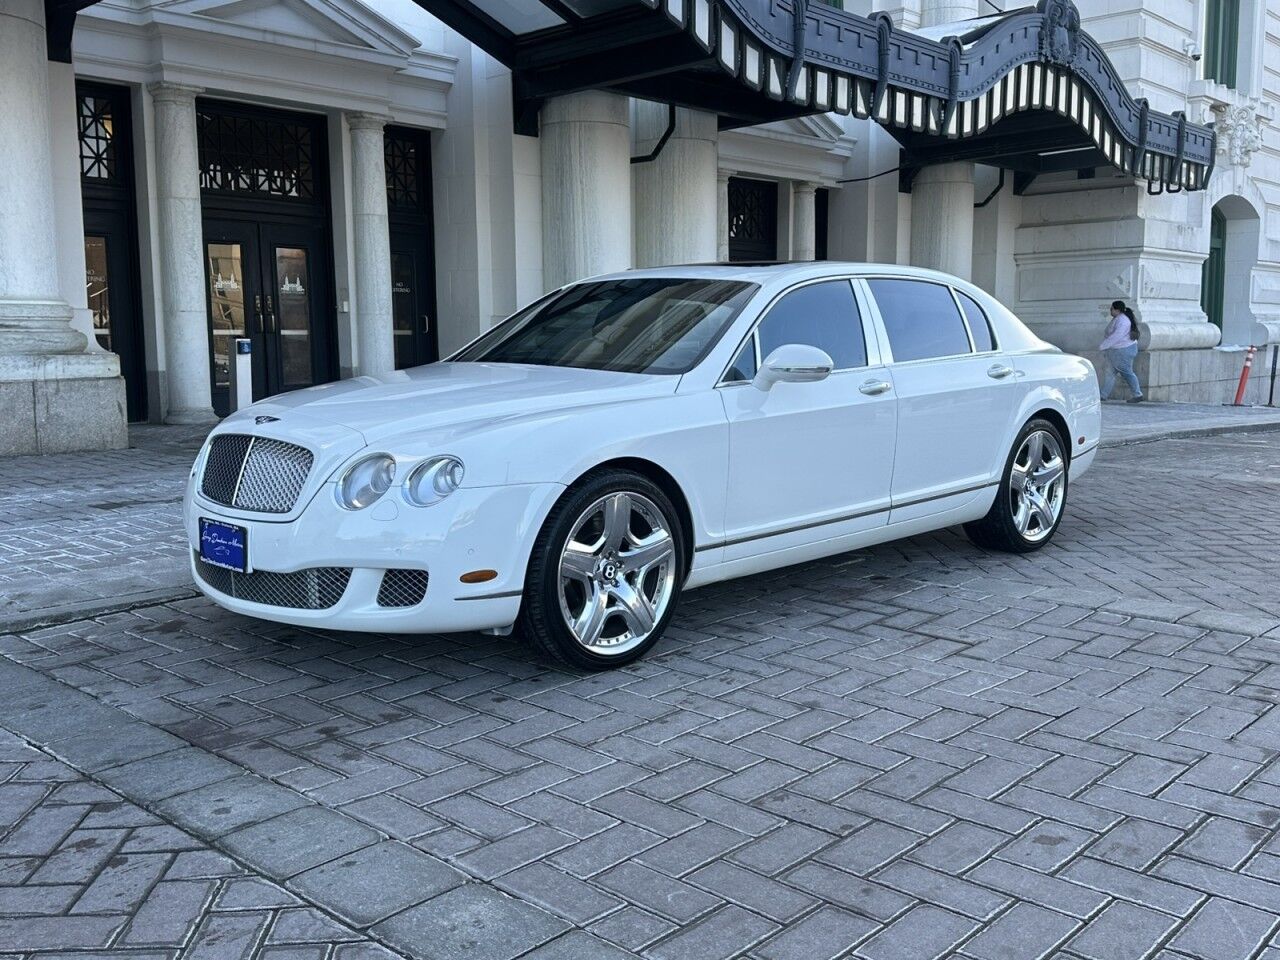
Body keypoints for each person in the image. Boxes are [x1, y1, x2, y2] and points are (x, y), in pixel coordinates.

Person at [1100, 300, 1143, 402]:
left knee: (1127, 372)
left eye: (1111, 309)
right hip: (1119, 351)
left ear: (1117, 310)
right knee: (1110, 373)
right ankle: (1102, 395)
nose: (1110, 311)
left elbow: (1116, 336)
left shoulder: (1123, 321)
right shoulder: (1119, 319)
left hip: (1123, 351)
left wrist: (1103, 346)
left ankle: (1138, 394)